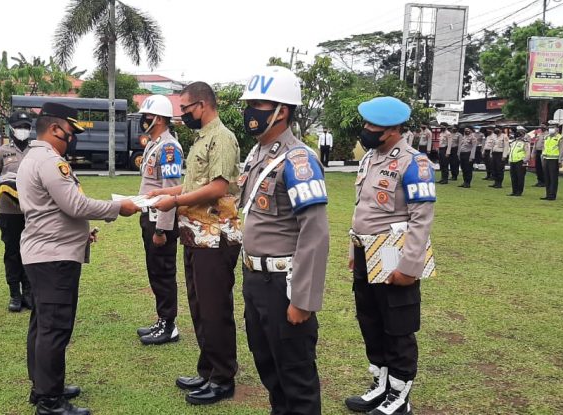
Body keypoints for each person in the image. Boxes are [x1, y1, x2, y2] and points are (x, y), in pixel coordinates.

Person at [18, 102, 140, 415]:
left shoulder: (34, 157)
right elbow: (75, 205)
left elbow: (52, 211)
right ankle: (49, 401)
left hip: (45, 252)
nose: (72, 138)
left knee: (42, 324)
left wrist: (81, 234)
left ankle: (43, 386)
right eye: (69, 132)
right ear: (54, 129)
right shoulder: (49, 160)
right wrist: (118, 208)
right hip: (52, 258)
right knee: (54, 328)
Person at [233, 66, 329, 414]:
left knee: (295, 375)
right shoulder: (259, 153)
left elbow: (315, 233)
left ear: (282, 111)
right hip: (255, 278)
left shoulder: (299, 160)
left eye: (259, 104)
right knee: (269, 366)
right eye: (250, 104)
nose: (250, 112)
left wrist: (303, 299)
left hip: (282, 283)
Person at [150, 81, 243, 406]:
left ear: (202, 105)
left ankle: (223, 378)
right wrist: (165, 192)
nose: (183, 114)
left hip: (215, 237)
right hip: (195, 236)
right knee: (200, 307)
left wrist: (174, 202)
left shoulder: (222, 138)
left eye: (186, 108)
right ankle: (208, 370)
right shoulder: (202, 138)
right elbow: (194, 185)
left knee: (215, 309)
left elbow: (218, 187)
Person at [345, 96, 436, 415]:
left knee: (397, 325)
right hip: (366, 251)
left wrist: (409, 266)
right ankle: (381, 385)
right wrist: (354, 250)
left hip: (392, 253)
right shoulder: (370, 158)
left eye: (372, 125)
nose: (366, 129)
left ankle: (399, 396)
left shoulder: (414, 163)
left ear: (392, 130)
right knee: (370, 320)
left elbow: (421, 219)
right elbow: (362, 208)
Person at [135, 95, 183, 346]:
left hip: (160, 220)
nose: (144, 120)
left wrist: (162, 229)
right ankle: (162, 319)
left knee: (163, 272)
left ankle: (169, 325)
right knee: (155, 270)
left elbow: (170, 190)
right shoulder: (154, 145)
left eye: (147, 116)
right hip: (149, 216)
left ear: (160, 119)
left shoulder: (169, 148)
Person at [0, 111, 33, 313]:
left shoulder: (36, 151)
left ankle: (29, 293)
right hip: (9, 212)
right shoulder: (1, 152)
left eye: (26, 126)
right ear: (11, 129)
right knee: (12, 252)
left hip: (32, 212)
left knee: (31, 252)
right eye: (19, 126)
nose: (23, 130)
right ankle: (15, 294)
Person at [540, 125, 563, 201]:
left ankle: (552, 195)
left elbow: (561, 150)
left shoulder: (560, 137)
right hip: (546, 159)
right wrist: (542, 157)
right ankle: (547, 194)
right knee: (547, 178)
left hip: (554, 159)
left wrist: (560, 160)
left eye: (553, 127)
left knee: (553, 178)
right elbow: (544, 148)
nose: (551, 129)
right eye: (550, 127)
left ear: (557, 129)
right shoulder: (546, 137)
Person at [508, 129, 531, 197]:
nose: (517, 134)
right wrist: (509, 159)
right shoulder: (513, 142)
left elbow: (527, 152)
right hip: (513, 161)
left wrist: (525, 161)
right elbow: (511, 151)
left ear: (523, 134)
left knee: (520, 177)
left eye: (519, 133)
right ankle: (514, 191)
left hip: (520, 161)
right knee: (513, 177)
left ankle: (519, 191)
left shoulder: (525, 143)